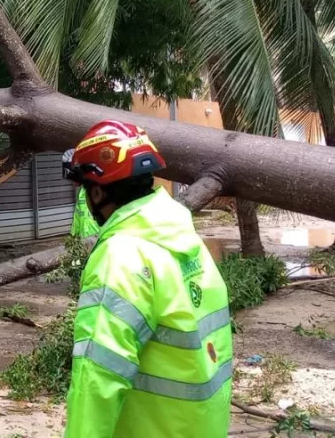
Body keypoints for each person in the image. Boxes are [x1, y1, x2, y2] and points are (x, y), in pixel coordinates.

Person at [60, 120, 232, 438]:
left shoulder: (120, 258)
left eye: (85, 187)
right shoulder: (187, 244)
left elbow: (96, 379)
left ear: (97, 191)